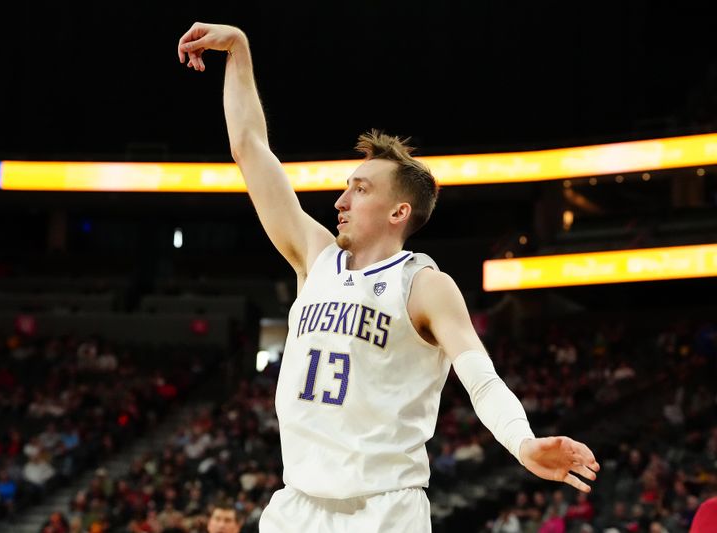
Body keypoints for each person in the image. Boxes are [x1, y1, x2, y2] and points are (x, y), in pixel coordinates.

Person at [178, 22, 600, 533]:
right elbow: (250, 147)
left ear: (399, 211)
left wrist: (521, 440)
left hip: (383, 511)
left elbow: (480, 377)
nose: (340, 200)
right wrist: (239, 50)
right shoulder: (315, 258)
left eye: (359, 189)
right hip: (296, 506)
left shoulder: (424, 284)